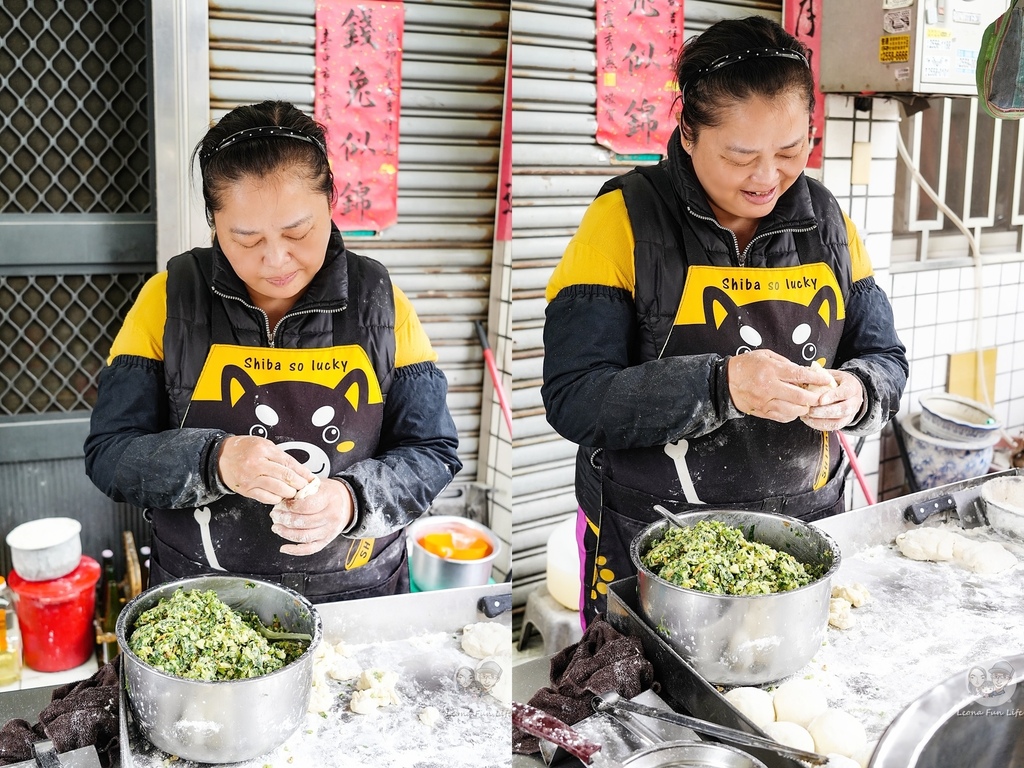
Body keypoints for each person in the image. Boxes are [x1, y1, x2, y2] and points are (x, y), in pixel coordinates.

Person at [541, 17, 908, 624]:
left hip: (803, 540)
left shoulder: (827, 221)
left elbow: (885, 360)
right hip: (651, 544)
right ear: (687, 131)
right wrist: (722, 386)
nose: (767, 178)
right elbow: (574, 396)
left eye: (791, 151)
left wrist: (858, 391)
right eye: (741, 156)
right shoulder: (623, 219)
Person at [85, 100, 461, 603]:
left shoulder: (381, 302)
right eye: (246, 238)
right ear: (214, 222)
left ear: (332, 198)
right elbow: (110, 453)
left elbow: (432, 452)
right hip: (203, 602)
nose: (276, 260)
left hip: (356, 594)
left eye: (297, 231)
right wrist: (213, 462)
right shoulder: (168, 299)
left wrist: (351, 500)